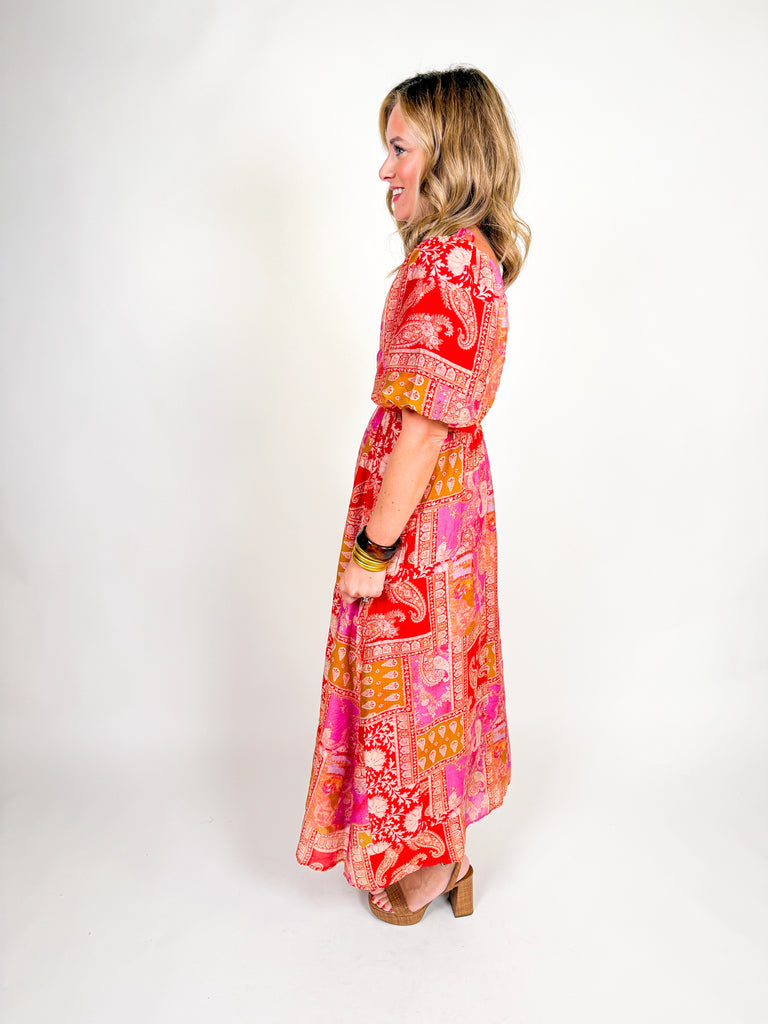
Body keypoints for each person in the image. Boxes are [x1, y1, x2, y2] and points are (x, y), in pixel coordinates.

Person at [295, 66, 530, 925]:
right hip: (450, 512)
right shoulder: (468, 258)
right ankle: (448, 855)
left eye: (399, 148)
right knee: (436, 686)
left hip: (420, 523)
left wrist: (372, 552)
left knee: (410, 687)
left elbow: (425, 427)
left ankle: (433, 864)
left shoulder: (446, 265)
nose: (385, 170)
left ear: (450, 155)